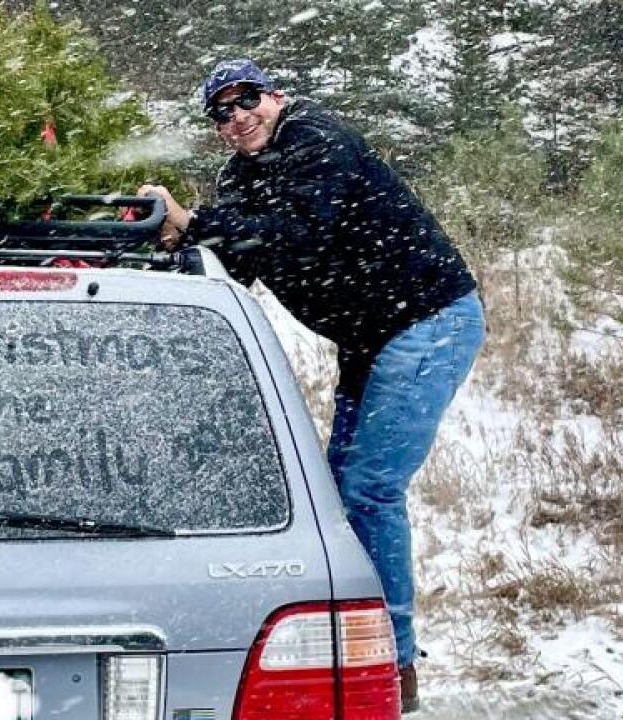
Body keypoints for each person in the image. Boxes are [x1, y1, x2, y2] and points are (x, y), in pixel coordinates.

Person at [139, 58, 485, 713]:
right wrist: (164, 243)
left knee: (370, 489)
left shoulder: (315, 141)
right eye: (221, 112)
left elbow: (296, 236)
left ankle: (396, 664)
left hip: (429, 320)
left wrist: (192, 220)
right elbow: (236, 262)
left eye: (245, 101)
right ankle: (356, 642)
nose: (237, 118)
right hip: (372, 341)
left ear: (276, 95)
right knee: (337, 494)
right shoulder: (242, 175)